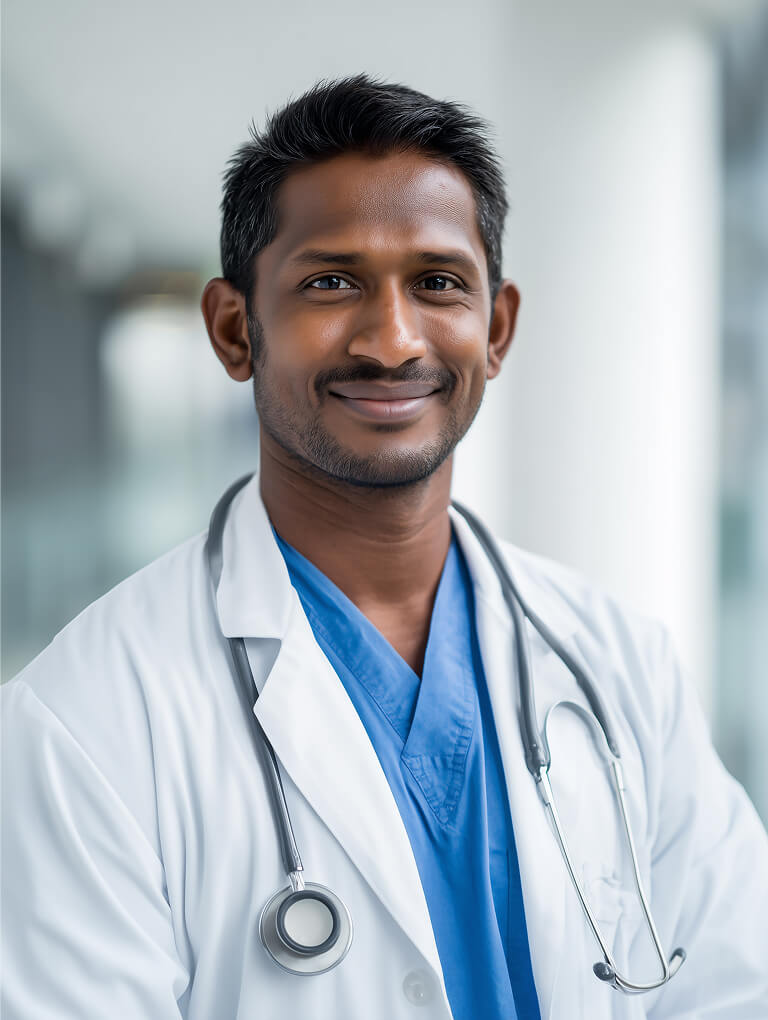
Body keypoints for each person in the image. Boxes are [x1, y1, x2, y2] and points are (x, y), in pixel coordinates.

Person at [2, 75, 767, 1020]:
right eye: (331, 282)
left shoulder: (619, 668)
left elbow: (732, 985)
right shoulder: (82, 722)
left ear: (497, 329)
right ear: (235, 328)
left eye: (438, 283)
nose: (392, 339)